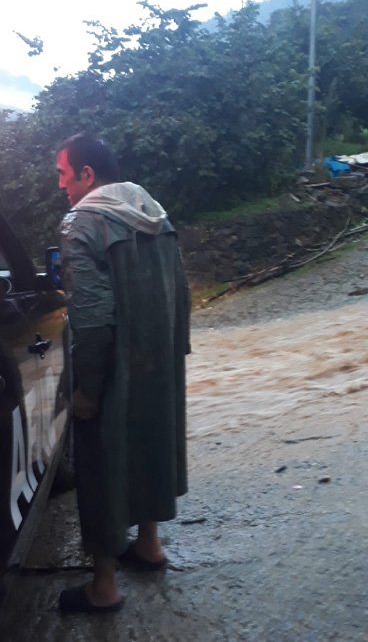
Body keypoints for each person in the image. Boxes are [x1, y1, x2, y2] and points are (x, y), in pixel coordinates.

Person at [53, 133, 190, 614]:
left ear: (87, 175)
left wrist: (88, 389)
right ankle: (149, 546)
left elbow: (90, 317)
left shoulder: (81, 223)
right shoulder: (153, 209)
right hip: (157, 363)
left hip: (111, 369)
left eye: (64, 176)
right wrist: (177, 353)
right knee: (150, 442)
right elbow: (182, 291)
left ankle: (104, 587)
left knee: (100, 464)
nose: (62, 187)